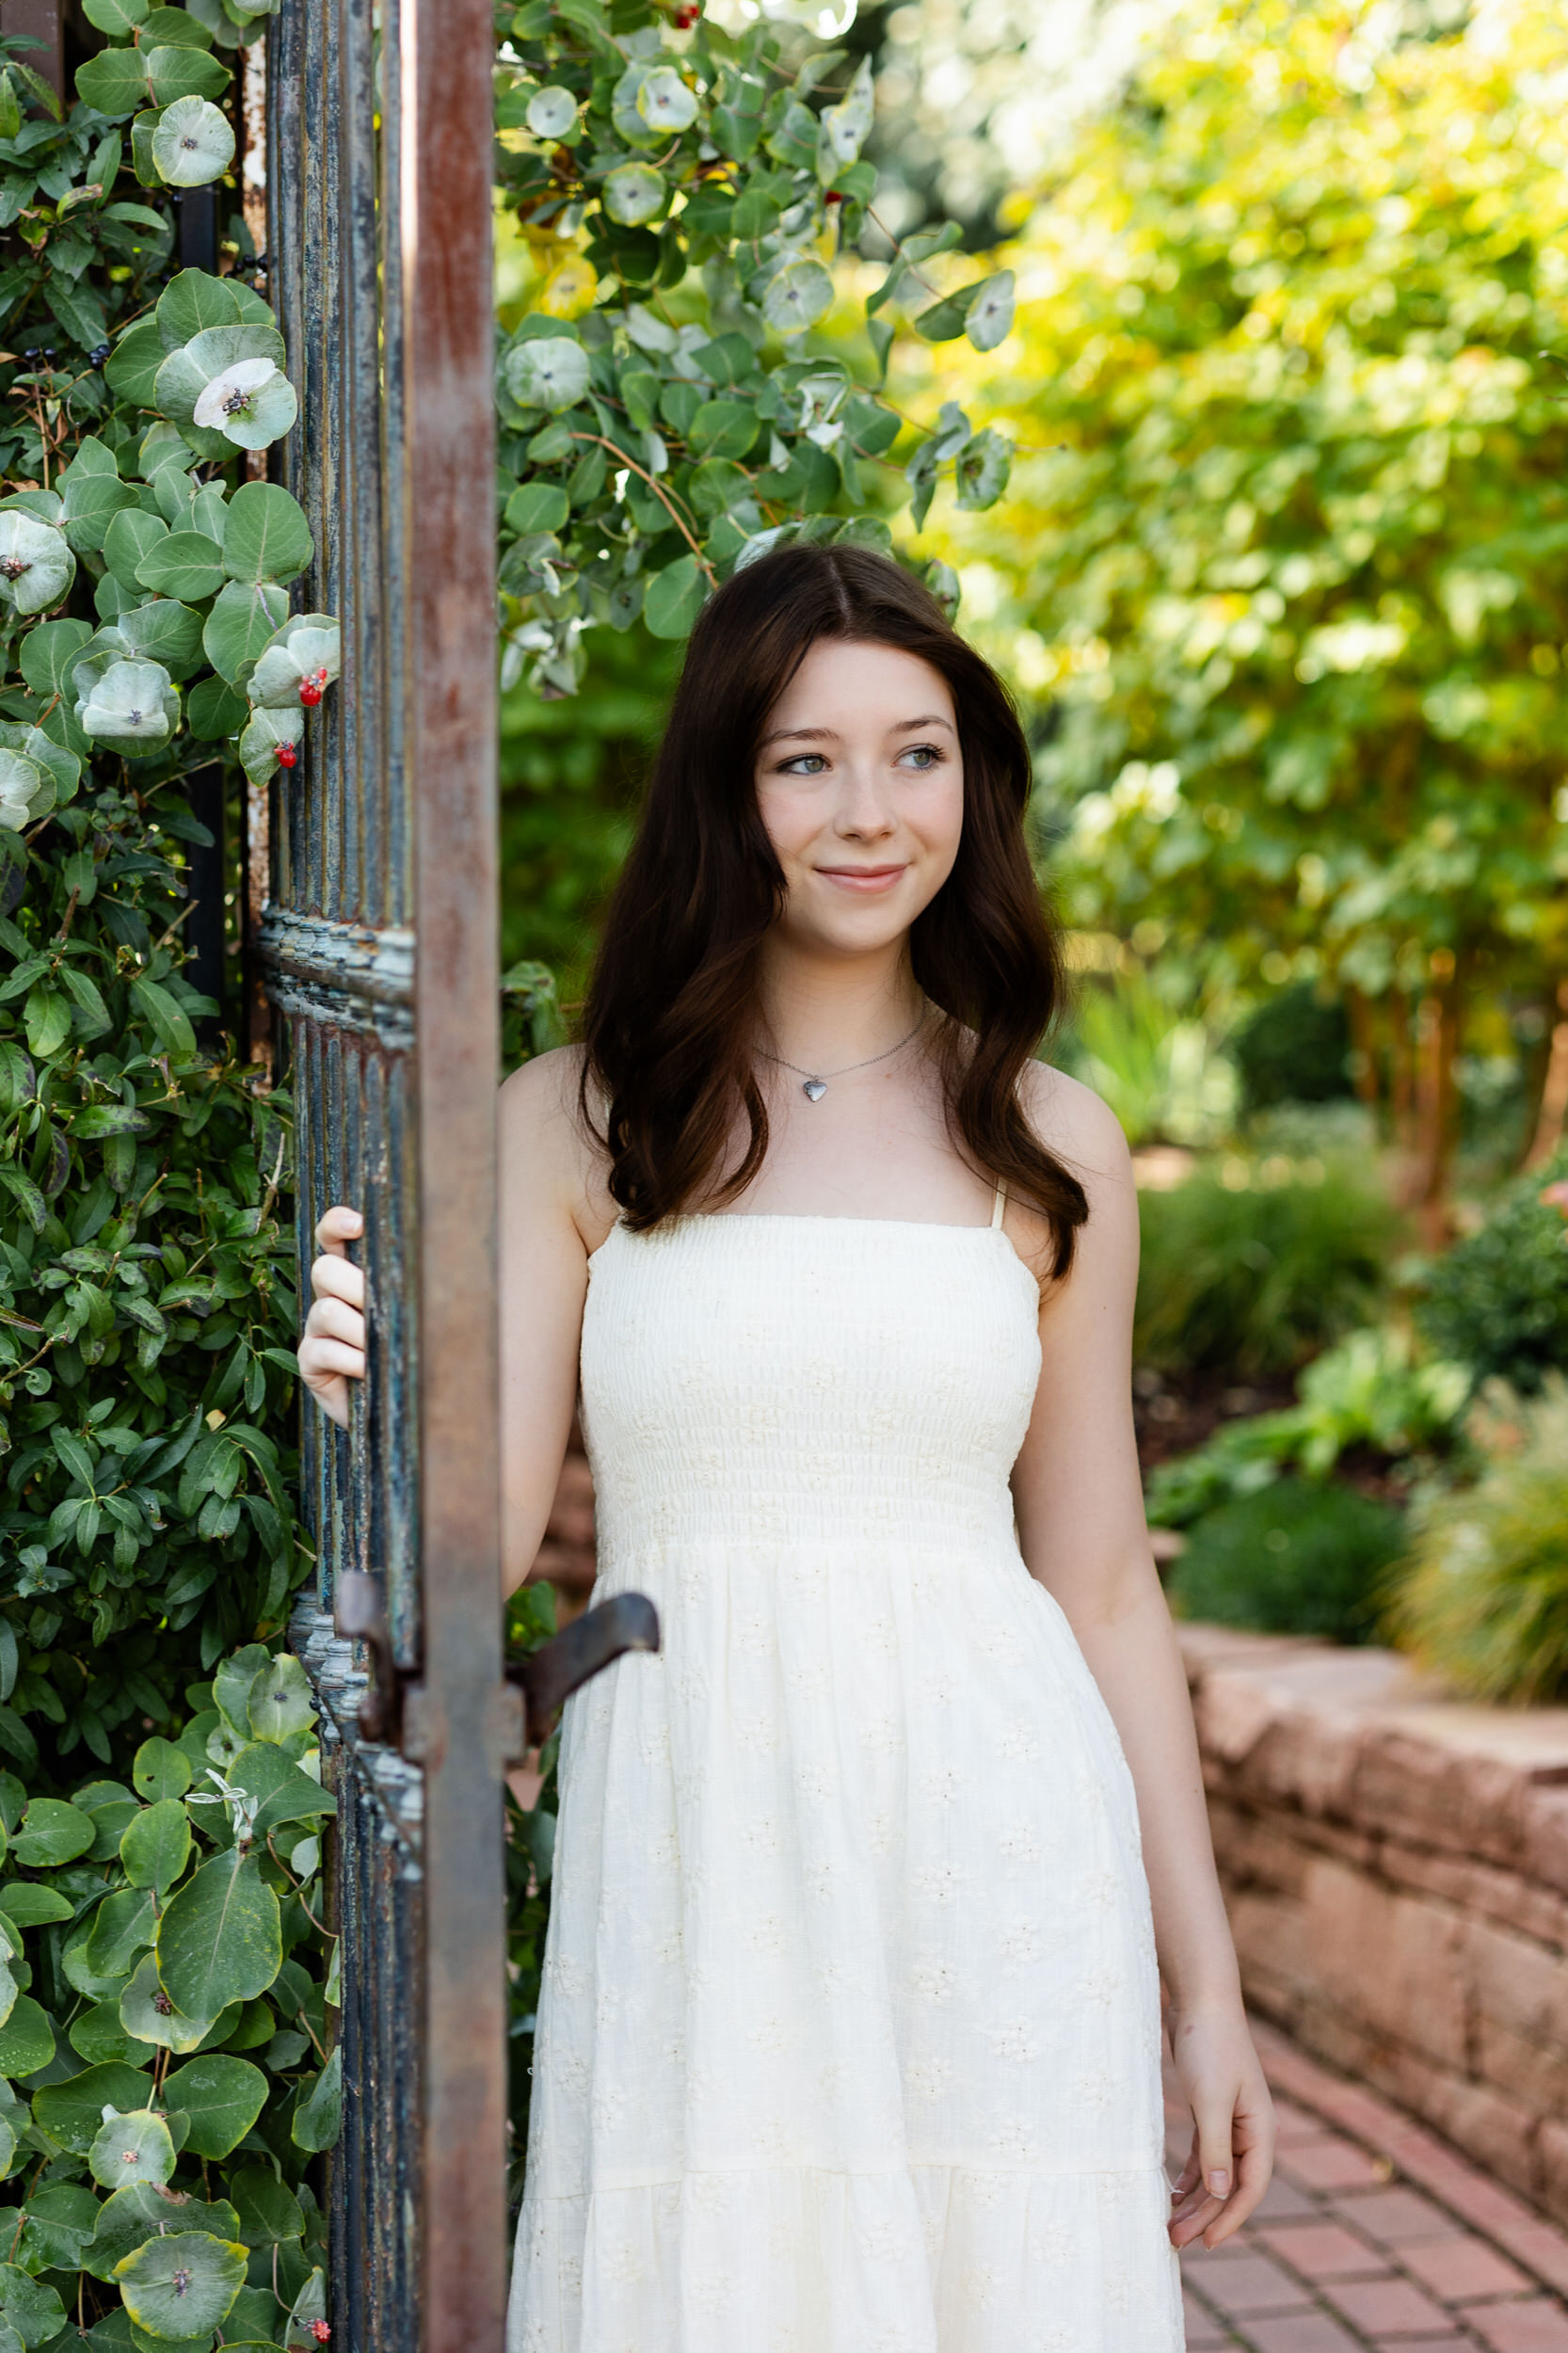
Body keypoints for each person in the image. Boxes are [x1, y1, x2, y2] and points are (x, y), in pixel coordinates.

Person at [299, 543, 1274, 2352]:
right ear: (726, 789)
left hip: (1000, 1849)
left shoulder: (1050, 1142)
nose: (867, 810)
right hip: (702, 1862)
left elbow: (1104, 1587)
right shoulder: (579, 1122)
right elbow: (477, 1546)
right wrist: (355, 1389)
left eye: (915, 752)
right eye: (803, 759)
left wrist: (1200, 1989)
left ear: (971, 782)